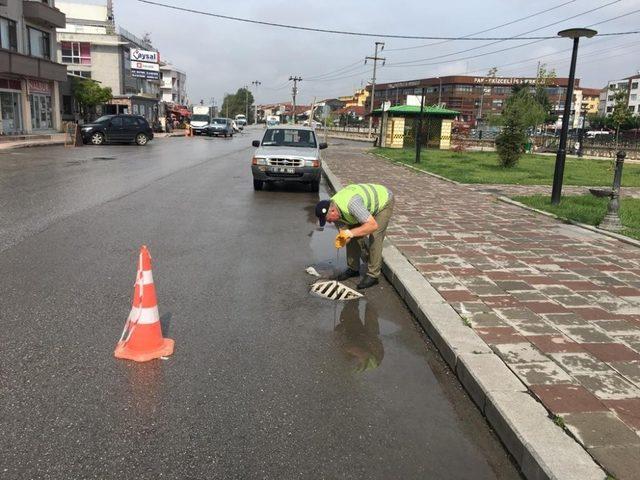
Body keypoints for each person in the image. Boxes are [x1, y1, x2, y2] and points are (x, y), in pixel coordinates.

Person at [315, 183, 394, 289]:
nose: (329, 223)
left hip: (383, 201)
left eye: (328, 220)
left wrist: (350, 233)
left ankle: (373, 275)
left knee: (375, 236)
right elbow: (346, 233)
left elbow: (372, 225)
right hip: (360, 208)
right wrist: (343, 239)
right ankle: (353, 268)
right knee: (351, 234)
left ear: (333, 211)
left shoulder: (351, 204)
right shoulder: (333, 209)